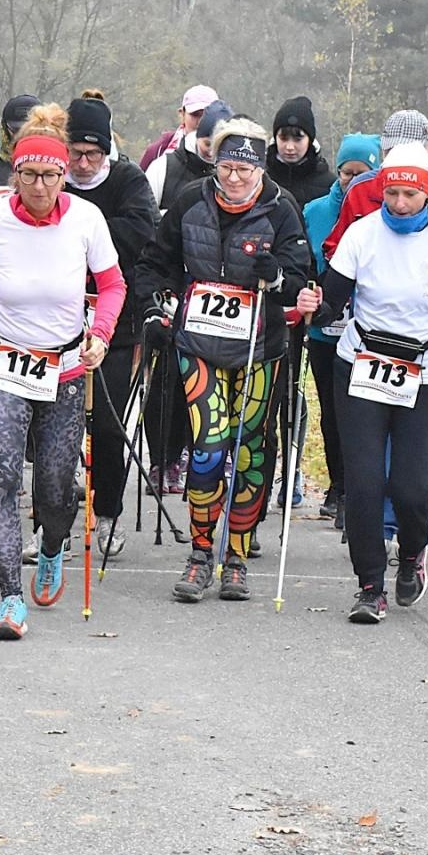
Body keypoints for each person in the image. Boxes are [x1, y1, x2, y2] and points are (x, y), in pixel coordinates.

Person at [0, 105, 126, 640]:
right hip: (0, 360)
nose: (40, 186)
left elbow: (112, 285)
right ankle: (9, 599)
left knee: (54, 486)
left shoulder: (86, 220)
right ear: (15, 173)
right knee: (2, 479)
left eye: (50, 175)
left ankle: (51, 545)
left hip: (64, 367)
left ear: (64, 174)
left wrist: (101, 335)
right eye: (29, 175)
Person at [297, 141, 428, 623]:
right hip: (362, 363)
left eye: (410, 194)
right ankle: (369, 586)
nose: (400, 204)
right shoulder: (362, 234)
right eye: (392, 194)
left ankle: (411, 553)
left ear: (427, 194)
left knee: (412, 487)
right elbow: (333, 300)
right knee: (364, 483)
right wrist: (313, 306)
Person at [133, 116, 311, 602]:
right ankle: (199, 553)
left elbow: (301, 278)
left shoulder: (282, 208)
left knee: (249, 451)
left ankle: (236, 556)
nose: (234, 178)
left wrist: (277, 277)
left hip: (260, 348)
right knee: (208, 447)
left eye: (244, 171)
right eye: (226, 167)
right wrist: (155, 306)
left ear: (261, 170)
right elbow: (155, 262)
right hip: (200, 345)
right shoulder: (191, 199)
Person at [63, 95, 159, 559]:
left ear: (107, 151)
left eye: (93, 154)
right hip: (55, 317)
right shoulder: (49, 178)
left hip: (114, 319)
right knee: (56, 428)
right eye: (75, 153)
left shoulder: (128, 180)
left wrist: (80, 233)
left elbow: (140, 233)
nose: (83, 164)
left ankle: (107, 513)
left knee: (106, 424)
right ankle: (53, 519)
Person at [143, 98, 235, 497]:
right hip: (177, 289)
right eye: (207, 143)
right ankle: (162, 458)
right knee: (167, 380)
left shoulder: (240, 180)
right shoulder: (166, 167)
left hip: (221, 301)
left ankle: (202, 454)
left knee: (209, 380)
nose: (212, 153)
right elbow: (150, 230)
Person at [259, 96, 336, 517]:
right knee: (272, 391)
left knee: (296, 392)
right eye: (283, 137)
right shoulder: (262, 176)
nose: (289, 146)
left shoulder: (325, 181)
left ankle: (293, 469)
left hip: (311, 298)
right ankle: (264, 472)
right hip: (269, 296)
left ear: (311, 139)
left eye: (298, 137)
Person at [303, 133, 380, 530]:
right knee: (331, 413)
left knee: (360, 415)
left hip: (365, 331)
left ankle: (358, 491)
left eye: (361, 174)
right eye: (346, 173)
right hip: (325, 329)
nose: (352, 181)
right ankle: (337, 485)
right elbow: (305, 258)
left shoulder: (381, 211)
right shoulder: (317, 210)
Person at [322, 109, 428, 264]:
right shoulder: (360, 189)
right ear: (383, 151)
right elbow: (334, 249)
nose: (401, 160)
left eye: (411, 153)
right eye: (392, 152)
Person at [139, 83, 218, 172]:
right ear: (182, 114)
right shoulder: (159, 150)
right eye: (195, 114)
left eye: (207, 115)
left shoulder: (227, 152)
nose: (201, 121)